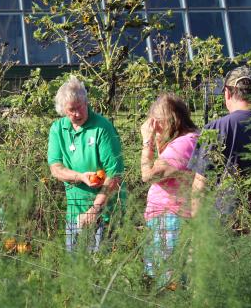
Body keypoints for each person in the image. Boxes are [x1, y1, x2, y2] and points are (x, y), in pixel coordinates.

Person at [189, 65, 251, 217]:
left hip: (226, 223)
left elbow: (201, 183)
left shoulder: (215, 128)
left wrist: (197, 226)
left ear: (227, 93)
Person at [47, 76, 125, 251]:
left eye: (80, 107)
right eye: (71, 110)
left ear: (86, 102)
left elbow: (115, 174)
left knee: (102, 268)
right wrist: (80, 177)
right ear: (63, 111)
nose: (77, 113)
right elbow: (55, 169)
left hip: (105, 213)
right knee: (75, 269)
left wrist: (94, 210)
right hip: (74, 211)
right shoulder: (58, 129)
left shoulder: (102, 128)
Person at [140, 93, 199, 288]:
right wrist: (159, 140)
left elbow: (148, 175)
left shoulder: (183, 144)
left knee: (168, 280)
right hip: (167, 217)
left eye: (157, 122)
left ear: (170, 121)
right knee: (164, 276)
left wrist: (147, 141)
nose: (154, 126)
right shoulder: (184, 140)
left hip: (171, 217)